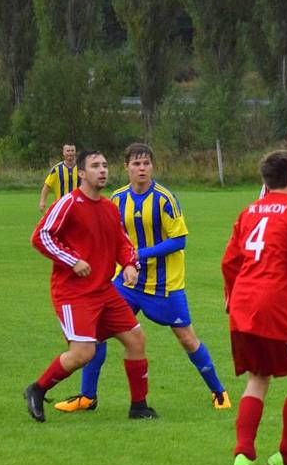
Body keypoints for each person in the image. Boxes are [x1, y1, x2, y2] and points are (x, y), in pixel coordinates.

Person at [53, 143, 230, 414]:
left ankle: (219, 391)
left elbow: (179, 239)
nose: (142, 168)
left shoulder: (164, 199)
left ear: (152, 167)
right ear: (126, 168)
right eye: (136, 164)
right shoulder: (116, 198)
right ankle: (87, 397)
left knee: (187, 338)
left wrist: (138, 255)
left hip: (164, 284)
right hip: (127, 283)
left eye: (146, 163)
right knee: (95, 336)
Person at [25, 149, 157, 422]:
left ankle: (139, 406)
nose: (102, 170)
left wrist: (131, 264)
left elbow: (122, 242)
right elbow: (40, 237)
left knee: (136, 339)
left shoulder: (109, 207)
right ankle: (37, 389)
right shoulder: (69, 203)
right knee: (84, 353)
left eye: (105, 165)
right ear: (82, 174)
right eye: (95, 166)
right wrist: (72, 261)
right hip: (73, 293)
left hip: (104, 290)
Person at [223, 150, 287, 465]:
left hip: (243, 305)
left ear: (265, 181)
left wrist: (232, 301)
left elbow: (229, 263)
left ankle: (242, 457)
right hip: (279, 306)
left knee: (258, 376)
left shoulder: (248, 210)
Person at [38, 143, 80, 212]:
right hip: (61, 207)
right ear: (63, 152)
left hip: (77, 206)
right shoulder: (56, 169)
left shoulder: (81, 169)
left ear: (75, 152)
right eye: (68, 151)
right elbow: (47, 185)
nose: (70, 153)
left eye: (72, 151)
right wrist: (42, 201)